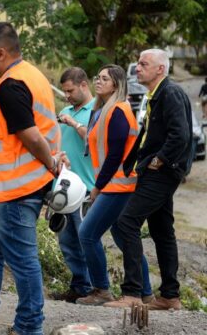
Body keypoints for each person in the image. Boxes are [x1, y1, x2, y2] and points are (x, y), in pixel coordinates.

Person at [0, 22, 67, 335]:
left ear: (1, 52)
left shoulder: (11, 85)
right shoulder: (31, 75)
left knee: (23, 260)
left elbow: (31, 136)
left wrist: (52, 164)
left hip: (16, 190)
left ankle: (29, 326)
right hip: (9, 189)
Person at [107, 49, 192, 310]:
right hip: (155, 172)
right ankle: (170, 297)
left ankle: (132, 293)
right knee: (162, 231)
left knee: (126, 222)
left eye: (144, 64)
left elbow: (180, 135)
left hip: (161, 173)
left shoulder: (170, 93)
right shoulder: (155, 94)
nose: (138, 68)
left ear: (160, 69)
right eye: (138, 63)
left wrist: (159, 160)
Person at [74, 65, 153, 306]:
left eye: (104, 79)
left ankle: (101, 290)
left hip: (117, 186)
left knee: (87, 234)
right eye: (97, 77)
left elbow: (115, 155)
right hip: (115, 184)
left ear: (115, 85)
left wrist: (97, 187)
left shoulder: (118, 111)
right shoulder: (104, 110)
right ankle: (146, 293)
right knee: (123, 239)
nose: (98, 81)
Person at [50, 67, 94, 303]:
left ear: (84, 85)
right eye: (64, 91)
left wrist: (74, 124)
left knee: (86, 239)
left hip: (86, 187)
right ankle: (79, 285)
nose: (66, 96)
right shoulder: (64, 112)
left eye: (70, 91)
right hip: (63, 187)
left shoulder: (97, 110)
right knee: (67, 241)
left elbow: (93, 141)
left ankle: (95, 287)